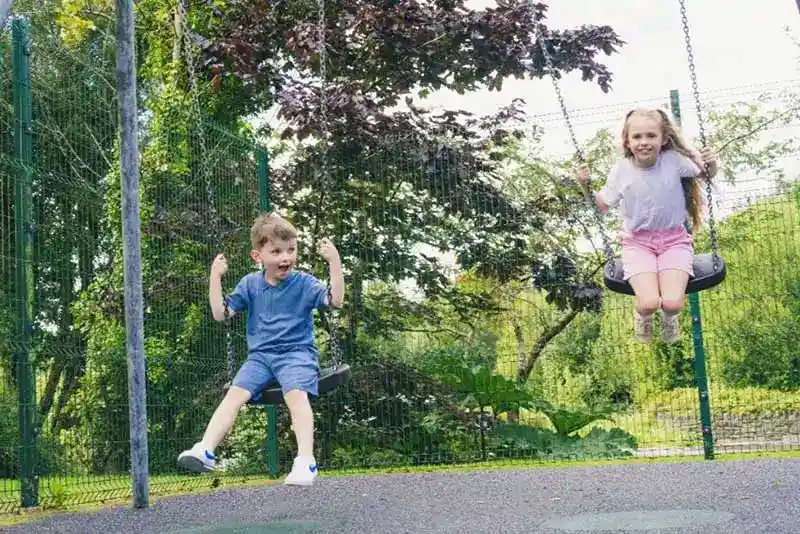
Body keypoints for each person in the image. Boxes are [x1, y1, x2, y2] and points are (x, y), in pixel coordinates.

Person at [178, 212, 344, 486]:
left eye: (291, 250)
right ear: (258, 257)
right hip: (260, 359)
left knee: (296, 396)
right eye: (276, 251)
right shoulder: (250, 285)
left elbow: (335, 301)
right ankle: (205, 450)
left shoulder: (304, 283)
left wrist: (334, 261)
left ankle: (305, 460)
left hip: (296, 354)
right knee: (233, 396)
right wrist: (215, 277)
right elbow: (221, 314)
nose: (285, 258)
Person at [574, 107, 718, 343]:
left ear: (663, 139)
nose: (644, 142)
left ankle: (669, 320)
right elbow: (601, 205)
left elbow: (703, 173)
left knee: (672, 303)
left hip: (674, 242)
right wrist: (585, 186)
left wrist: (712, 165)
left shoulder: (672, 160)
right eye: (637, 137)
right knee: (649, 303)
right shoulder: (621, 169)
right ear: (627, 141)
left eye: (651, 136)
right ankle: (643, 316)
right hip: (638, 244)